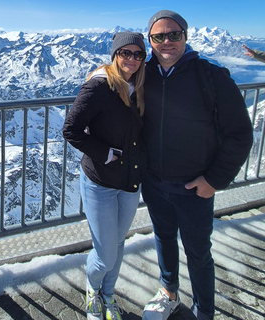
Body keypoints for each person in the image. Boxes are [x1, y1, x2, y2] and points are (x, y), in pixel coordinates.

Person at [141, 10, 253, 320]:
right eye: (159, 36)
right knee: (163, 239)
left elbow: (240, 134)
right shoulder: (143, 74)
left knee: (198, 254)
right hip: (154, 184)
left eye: (173, 35)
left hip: (195, 188)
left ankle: (204, 311)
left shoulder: (211, 75)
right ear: (150, 41)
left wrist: (215, 180)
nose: (167, 42)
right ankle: (169, 292)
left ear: (185, 37)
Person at [62, 31, 147, 320]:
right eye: (126, 53)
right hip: (100, 182)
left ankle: (108, 296)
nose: (132, 59)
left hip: (130, 182)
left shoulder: (141, 85)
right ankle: (92, 290)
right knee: (106, 252)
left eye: (138, 54)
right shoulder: (100, 86)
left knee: (119, 243)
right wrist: (107, 154)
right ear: (115, 55)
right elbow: (71, 130)